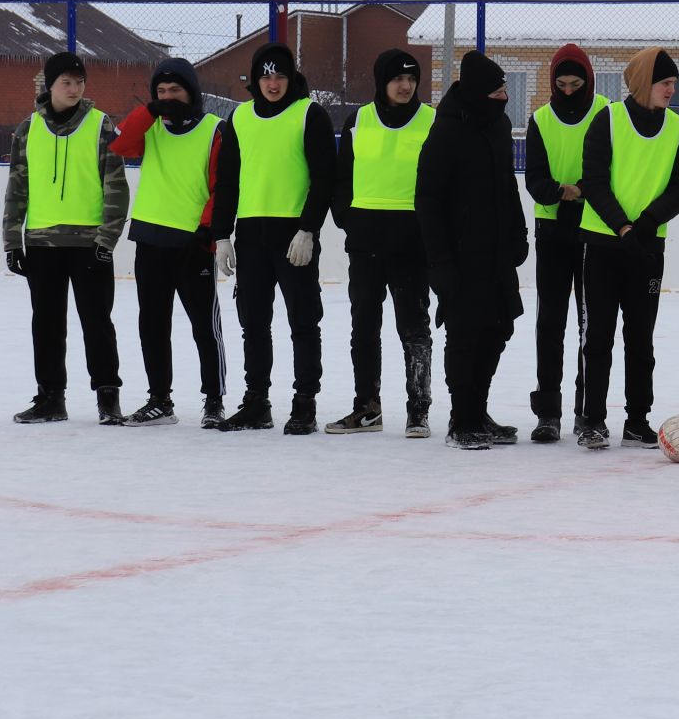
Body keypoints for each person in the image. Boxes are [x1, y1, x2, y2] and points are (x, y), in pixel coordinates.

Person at [210, 42, 335, 435]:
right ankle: (256, 403)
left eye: (280, 75)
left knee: (303, 321)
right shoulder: (240, 118)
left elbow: (324, 178)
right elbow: (227, 181)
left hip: (293, 235)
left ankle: (304, 404)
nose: (273, 83)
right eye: (266, 75)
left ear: (291, 77)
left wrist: (308, 229)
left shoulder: (308, 115)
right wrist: (221, 235)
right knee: (254, 323)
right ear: (255, 80)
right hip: (250, 235)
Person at [576, 47, 679, 450]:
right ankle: (591, 420)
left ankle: (637, 419)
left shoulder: (676, 127)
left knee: (641, 337)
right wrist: (622, 226)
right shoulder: (607, 120)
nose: (671, 90)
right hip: (604, 243)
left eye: (673, 84)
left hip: (645, 246)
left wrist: (643, 225)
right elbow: (592, 180)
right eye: (665, 83)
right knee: (599, 337)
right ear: (645, 83)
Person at [4, 51, 129, 425]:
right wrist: (13, 241)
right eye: (67, 82)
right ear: (51, 84)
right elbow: (16, 188)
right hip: (41, 244)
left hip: (89, 245)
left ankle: (108, 398)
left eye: (79, 82)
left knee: (97, 322)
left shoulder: (101, 125)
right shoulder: (27, 129)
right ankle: (50, 398)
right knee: (46, 323)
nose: (74, 88)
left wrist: (107, 240)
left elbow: (116, 187)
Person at [416, 51, 529, 451]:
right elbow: (426, 200)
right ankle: (461, 420)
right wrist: (440, 263)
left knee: (497, 329)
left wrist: (518, 233)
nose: (503, 97)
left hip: (496, 251)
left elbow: (507, 185)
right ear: (479, 92)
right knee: (465, 336)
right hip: (459, 257)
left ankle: (478, 411)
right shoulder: (445, 131)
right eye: (497, 91)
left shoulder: (496, 125)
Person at [108, 58, 226, 428]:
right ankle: (160, 400)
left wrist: (207, 229)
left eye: (175, 90)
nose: (168, 97)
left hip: (193, 243)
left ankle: (214, 400)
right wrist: (150, 109)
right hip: (151, 239)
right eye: (160, 92)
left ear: (191, 91)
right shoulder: (151, 125)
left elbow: (221, 186)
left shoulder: (214, 129)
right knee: (153, 324)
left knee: (205, 327)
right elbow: (121, 145)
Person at [329, 48, 436, 438]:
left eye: (411, 79)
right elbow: (342, 177)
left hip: (412, 244)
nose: (405, 86)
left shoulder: (432, 121)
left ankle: (418, 409)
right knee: (364, 328)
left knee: (414, 329)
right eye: (397, 79)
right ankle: (367, 408)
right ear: (382, 82)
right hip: (366, 243)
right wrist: (348, 219)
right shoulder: (359, 119)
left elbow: (442, 181)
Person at [523, 43, 606, 444]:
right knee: (549, 323)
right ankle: (548, 412)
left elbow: (611, 169)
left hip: (594, 232)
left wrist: (584, 190)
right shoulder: (539, 119)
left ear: (588, 80)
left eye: (576, 84)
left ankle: (585, 409)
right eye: (562, 84)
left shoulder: (606, 113)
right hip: (552, 232)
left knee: (590, 326)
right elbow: (534, 179)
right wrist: (562, 192)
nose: (569, 91)